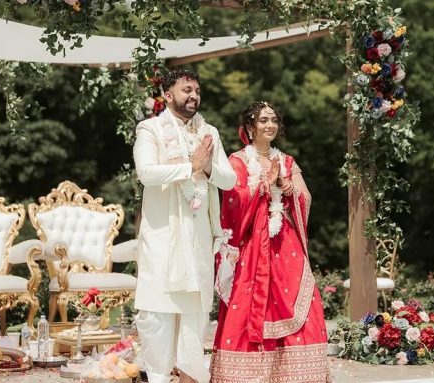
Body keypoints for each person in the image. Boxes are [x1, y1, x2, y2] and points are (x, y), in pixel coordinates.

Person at [210, 101, 330, 382]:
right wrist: (263, 184)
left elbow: (306, 197)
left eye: (274, 120)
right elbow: (232, 200)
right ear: (250, 128)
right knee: (250, 303)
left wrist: (286, 186)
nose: (270, 125)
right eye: (263, 120)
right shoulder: (237, 161)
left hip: (286, 244)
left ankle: (299, 374)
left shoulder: (287, 161)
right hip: (253, 244)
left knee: (305, 301)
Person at [133, 69, 236, 383]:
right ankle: (158, 377)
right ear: (167, 94)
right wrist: (188, 167)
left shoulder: (209, 133)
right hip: (162, 237)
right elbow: (146, 173)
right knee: (157, 314)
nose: (193, 96)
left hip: (197, 239)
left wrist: (206, 167)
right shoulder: (149, 128)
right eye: (186, 90)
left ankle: (192, 377)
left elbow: (229, 180)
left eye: (197, 91)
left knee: (194, 318)